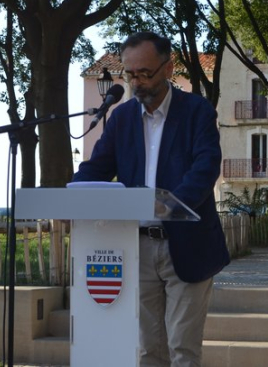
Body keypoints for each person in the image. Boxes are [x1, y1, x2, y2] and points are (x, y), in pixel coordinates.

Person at [72, 32, 230, 366]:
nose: (137, 82)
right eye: (130, 74)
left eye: (145, 73)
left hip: (187, 244)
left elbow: (205, 169)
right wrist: (70, 198)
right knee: (148, 350)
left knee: (182, 349)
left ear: (168, 67)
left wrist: (167, 207)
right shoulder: (122, 118)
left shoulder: (197, 112)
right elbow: (96, 167)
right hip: (138, 246)